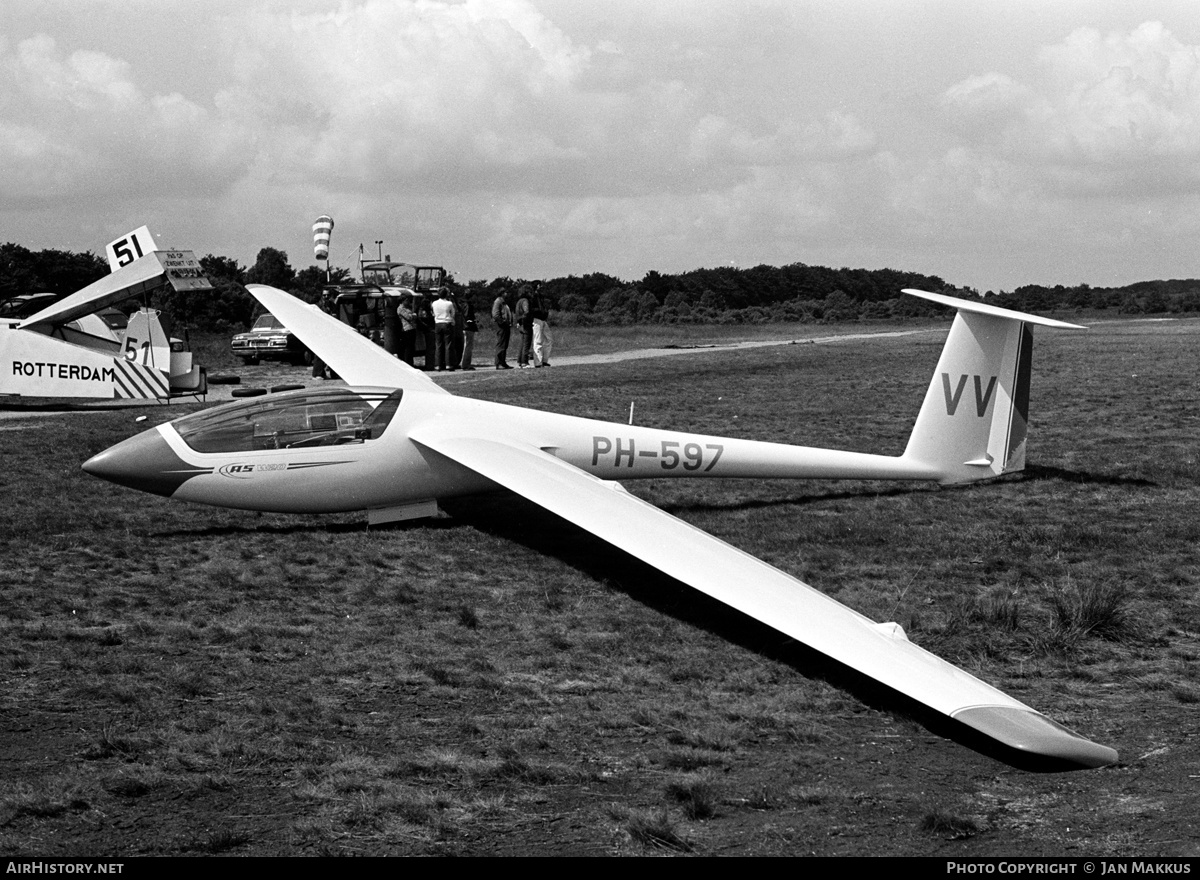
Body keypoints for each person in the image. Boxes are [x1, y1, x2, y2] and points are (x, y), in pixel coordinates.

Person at [431, 287, 456, 371]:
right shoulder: (449, 303)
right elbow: (453, 313)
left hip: (437, 323)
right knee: (448, 345)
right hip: (447, 323)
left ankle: (438, 365)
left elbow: (433, 313)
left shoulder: (434, 303)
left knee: (438, 345)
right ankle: (449, 364)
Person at [530, 282, 552, 367]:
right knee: (537, 341)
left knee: (549, 339)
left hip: (542, 319)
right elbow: (531, 308)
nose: (541, 286)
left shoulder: (540, 296)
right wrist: (540, 311)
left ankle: (544, 360)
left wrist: (545, 311)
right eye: (539, 285)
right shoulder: (533, 296)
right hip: (536, 319)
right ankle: (538, 362)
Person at [492, 289, 513, 369]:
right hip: (501, 325)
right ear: (502, 293)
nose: (507, 294)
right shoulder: (498, 301)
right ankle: (499, 362)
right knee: (501, 343)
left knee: (504, 344)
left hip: (506, 325)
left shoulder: (504, 302)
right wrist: (502, 322)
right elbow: (495, 314)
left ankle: (503, 362)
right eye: (505, 292)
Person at [396, 292, 417, 367]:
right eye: (406, 300)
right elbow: (409, 317)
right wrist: (413, 315)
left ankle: (411, 362)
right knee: (408, 348)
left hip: (412, 328)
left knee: (411, 348)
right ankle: (408, 363)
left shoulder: (407, 308)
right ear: (402, 301)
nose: (408, 302)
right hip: (406, 329)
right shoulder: (400, 309)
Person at [514, 284, 533, 368]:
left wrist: (519, 321)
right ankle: (525, 362)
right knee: (526, 344)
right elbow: (527, 311)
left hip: (520, 324)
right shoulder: (525, 301)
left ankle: (520, 361)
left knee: (522, 343)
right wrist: (525, 319)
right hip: (526, 324)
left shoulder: (519, 301)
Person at [459, 295, 477, 370]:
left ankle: (465, 364)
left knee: (467, 346)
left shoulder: (462, 304)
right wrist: (471, 321)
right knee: (468, 346)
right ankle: (465, 364)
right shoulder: (467, 305)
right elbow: (467, 315)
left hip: (464, 326)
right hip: (468, 327)